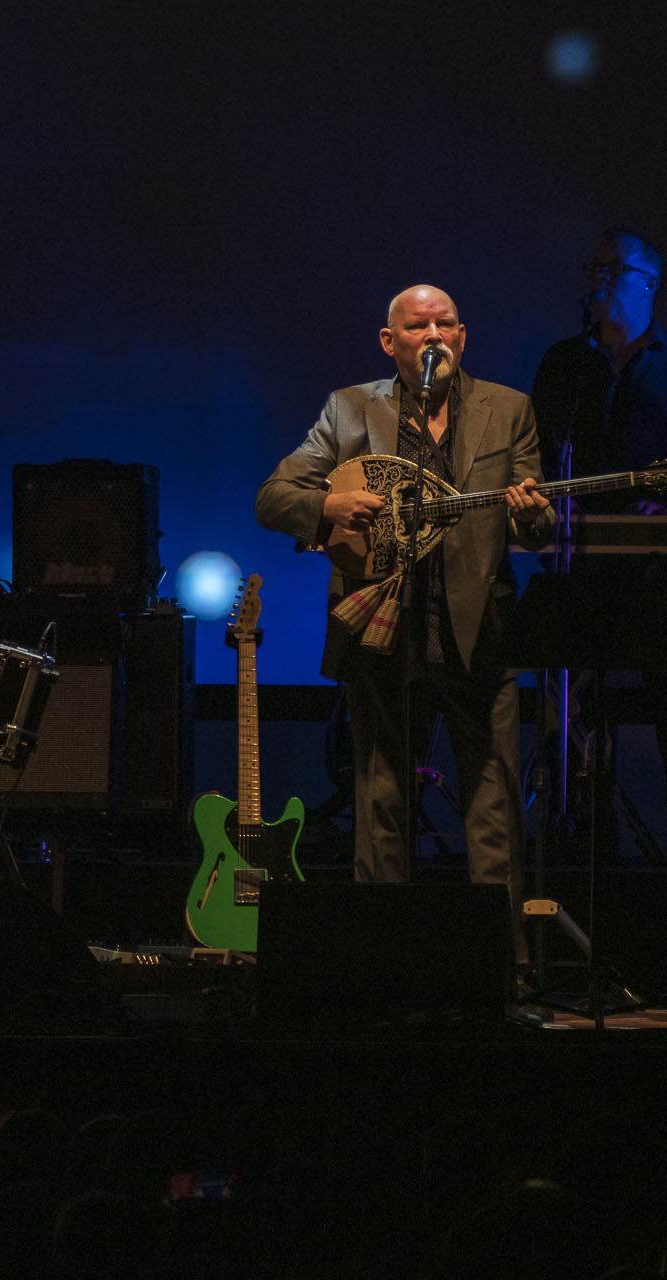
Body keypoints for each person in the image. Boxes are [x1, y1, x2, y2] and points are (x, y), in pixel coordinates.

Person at [256, 285, 552, 920]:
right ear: (392, 343)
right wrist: (328, 505)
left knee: (492, 804)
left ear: (463, 336)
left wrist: (535, 517)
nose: (435, 335)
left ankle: (503, 969)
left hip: (481, 630)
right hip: (385, 633)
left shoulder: (509, 408)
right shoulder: (350, 410)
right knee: (383, 801)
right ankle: (383, 965)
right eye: (419, 326)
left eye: (446, 323)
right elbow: (272, 497)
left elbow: (535, 529)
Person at [531, 230, 667, 864]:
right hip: (576, 557)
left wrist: (663, 506)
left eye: (614, 268)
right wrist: (558, 500)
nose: (600, 277)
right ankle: (580, 841)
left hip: (655, 562)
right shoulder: (566, 364)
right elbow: (536, 449)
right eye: (595, 268)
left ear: (648, 283)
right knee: (570, 699)